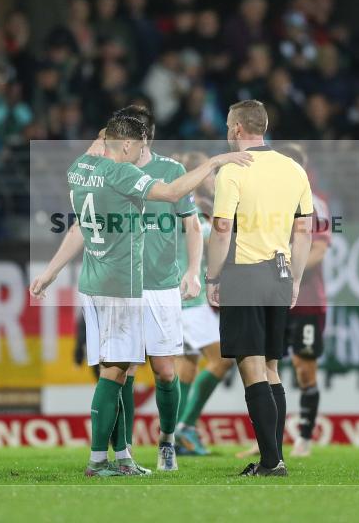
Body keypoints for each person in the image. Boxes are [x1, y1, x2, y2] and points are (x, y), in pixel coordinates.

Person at [29, 113, 251, 478]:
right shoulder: (121, 173)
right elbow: (166, 194)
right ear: (128, 142)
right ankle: (112, 457)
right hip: (123, 283)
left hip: (150, 283)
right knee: (121, 371)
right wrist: (214, 162)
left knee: (161, 372)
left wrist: (192, 271)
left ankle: (160, 442)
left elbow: (190, 223)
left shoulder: (96, 168)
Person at [205, 99, 314, 477]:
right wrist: (296, 277)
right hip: (281, 271)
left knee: (251, 367)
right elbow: (304, 232)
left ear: (237, 128)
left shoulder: (233, 170)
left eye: (227, 126)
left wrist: (213, 276)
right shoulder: (293, 169)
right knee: (271, 367)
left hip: (245, 272)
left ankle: (271, 462)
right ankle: (276, 456)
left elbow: (221, 230)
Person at [174, 151, 236, 456]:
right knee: (223, 358)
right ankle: (185, 427)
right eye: (210, 175)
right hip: (187, 302)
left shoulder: (182, 207)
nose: (214, 180)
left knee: (186, 366)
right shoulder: (192, 212)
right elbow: (215, 238)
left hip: (178, 299)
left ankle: (175, 434)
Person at [273, 143, 331, 458]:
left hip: (307, 301)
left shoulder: (315, 206)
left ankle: (304, 439)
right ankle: (267, 439)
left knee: (304, 368)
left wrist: (284, 270)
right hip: (274, 301)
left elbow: (318, 250)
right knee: (267, 364)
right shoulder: (265, 202)